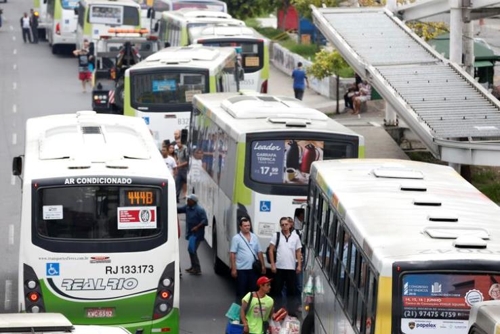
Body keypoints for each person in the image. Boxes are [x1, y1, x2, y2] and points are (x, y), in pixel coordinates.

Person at [268, 217, 302, 316]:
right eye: (282, 224)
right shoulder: (276, 235)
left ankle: (291, 311)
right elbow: (271, 249)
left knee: (292, 290)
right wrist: (273, 264)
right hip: (279, 267)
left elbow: (298, 251)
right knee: (277, 289)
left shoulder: (295, 237)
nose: (284, 226)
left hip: (290, 267)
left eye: (286, 224)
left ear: (290, 225)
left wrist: (299, 265)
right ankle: (277, 309)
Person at [230, 217, 266, 302]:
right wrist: (233, 269)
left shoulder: (254, 237)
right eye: (245, 226)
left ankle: (250, 310)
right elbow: (232, 254)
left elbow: (259, 252)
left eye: (248, 225)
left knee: (252, 291)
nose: (247, 227)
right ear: (240, 227)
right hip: (241, 269)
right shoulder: (236, 238)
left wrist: (263, 266)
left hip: (253, 269)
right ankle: (238, 310)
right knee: (241, 291)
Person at [177, 194, 207, 275]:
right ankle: (193, 267)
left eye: (189, 200)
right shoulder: (187, 207)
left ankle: (197, 268)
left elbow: (205, 221)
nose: (187, 201)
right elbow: (178, 210)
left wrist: (197, 227)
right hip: (190, 233)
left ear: (193, 201)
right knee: (191, 250)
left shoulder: (199, 210)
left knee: (192, 250)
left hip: (196, 235)